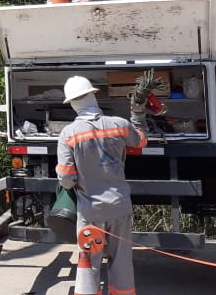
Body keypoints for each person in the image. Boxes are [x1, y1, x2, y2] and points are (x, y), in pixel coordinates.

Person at [56, 75, 148, 295]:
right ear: (93, 96)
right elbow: (141, 141)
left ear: (73, 103)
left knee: (88, 263)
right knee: (122, 261)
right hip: (120, 206)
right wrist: (137, 115)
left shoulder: (68, 134)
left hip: (90, 211)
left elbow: (67, 180)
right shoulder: (119, 125)